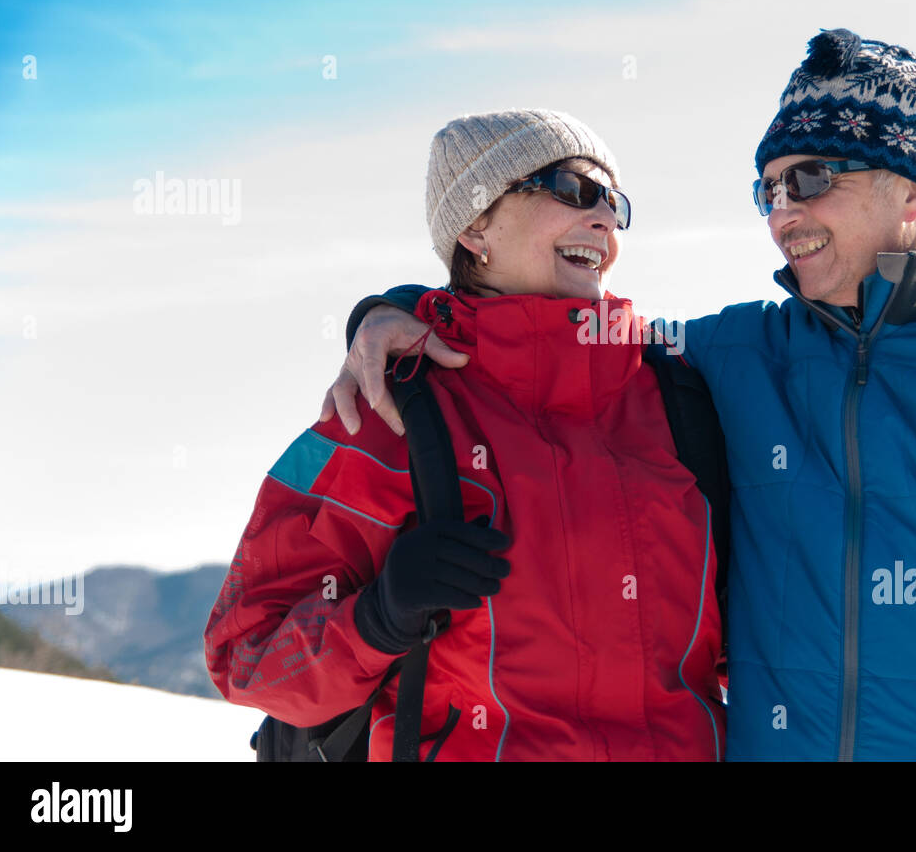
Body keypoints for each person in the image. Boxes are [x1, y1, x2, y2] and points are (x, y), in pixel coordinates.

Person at [329, 29, 916, 761]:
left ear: (911, 188)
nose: (782, 214)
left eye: (811, 179)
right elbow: (541, 335)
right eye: (767, 190)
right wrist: (395, 312)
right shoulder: (735, 357)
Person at [205, 108, 725, 761]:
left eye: (613, 202)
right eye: (573, 189)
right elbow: (244, 652)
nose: (603, 218)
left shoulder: (680, 394)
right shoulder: (387, 409)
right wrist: (378, 618)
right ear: (476, 226)